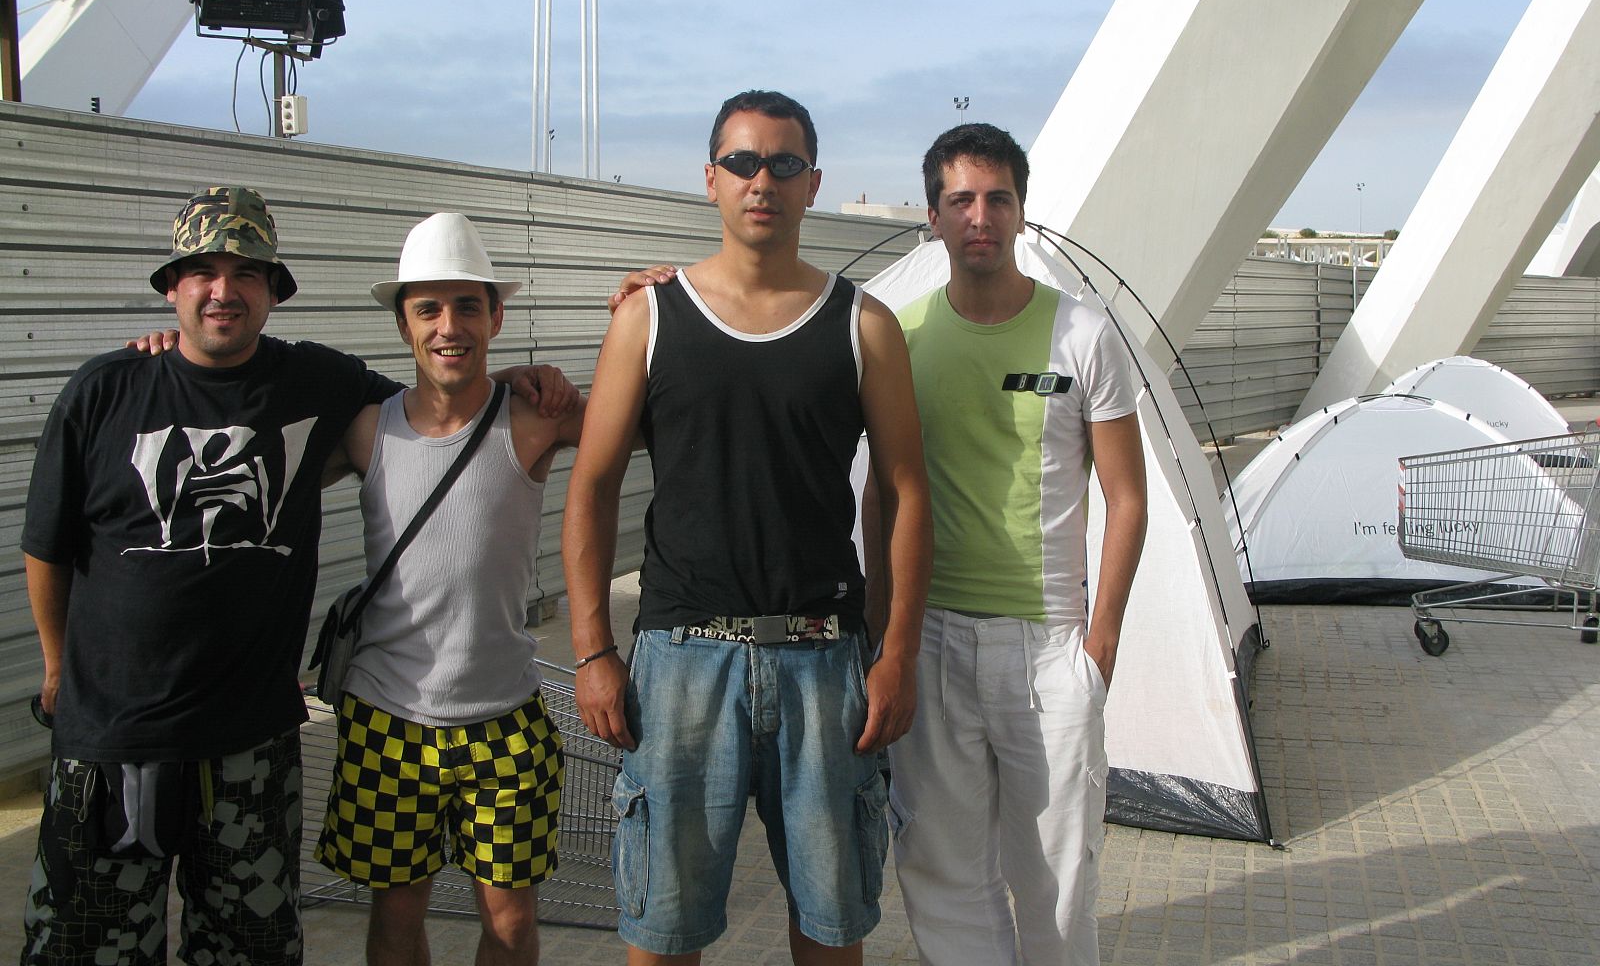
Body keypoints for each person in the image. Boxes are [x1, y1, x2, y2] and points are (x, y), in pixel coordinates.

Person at [19, 188, 572, 966]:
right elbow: (47, 544)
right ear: (171, 287)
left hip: (251, 742)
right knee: (90, 949)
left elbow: (440, 403)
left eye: (246, 273)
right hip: (113, 739)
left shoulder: (319, 383)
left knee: (250, 950)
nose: (224, 291)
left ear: (274, 291)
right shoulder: (105, 389)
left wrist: (521, 378)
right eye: (203, 272)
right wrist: (54, 667)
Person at [561, 90, 932, 965]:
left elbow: (906, 492)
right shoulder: (649, 317)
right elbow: (591, 485)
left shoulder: (863, 325)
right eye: (742, 162)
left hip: (824, 664)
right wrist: (591, 649)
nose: (762, 180)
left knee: (832, 928)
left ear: (812, 185)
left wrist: (896, 654)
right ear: (712, 179)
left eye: (784, 164)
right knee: (663, 933)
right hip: (681, 664)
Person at [887, 123, 1148, 966]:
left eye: (998, 198)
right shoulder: (902, 337)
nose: (980, 217)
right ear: (932, 216)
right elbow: (880, 494)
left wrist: (1099, 646)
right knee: (942, 872)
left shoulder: (1084, 335)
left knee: (1057, 882)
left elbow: (1128, 498)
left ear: (1022, 212)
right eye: (960, 200)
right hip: (931, 641)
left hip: (1048, 650)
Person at [313, 213, 585, 966]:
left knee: (511, 923)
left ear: (496, 316)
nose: (449, 326)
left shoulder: (533, 419)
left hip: (504, 718)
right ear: (402, 323)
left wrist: (643, 305)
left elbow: (650, 420)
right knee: (397, 914)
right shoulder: (367, 430)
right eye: (428, 308)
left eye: (468, 306)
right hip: (387, 720)